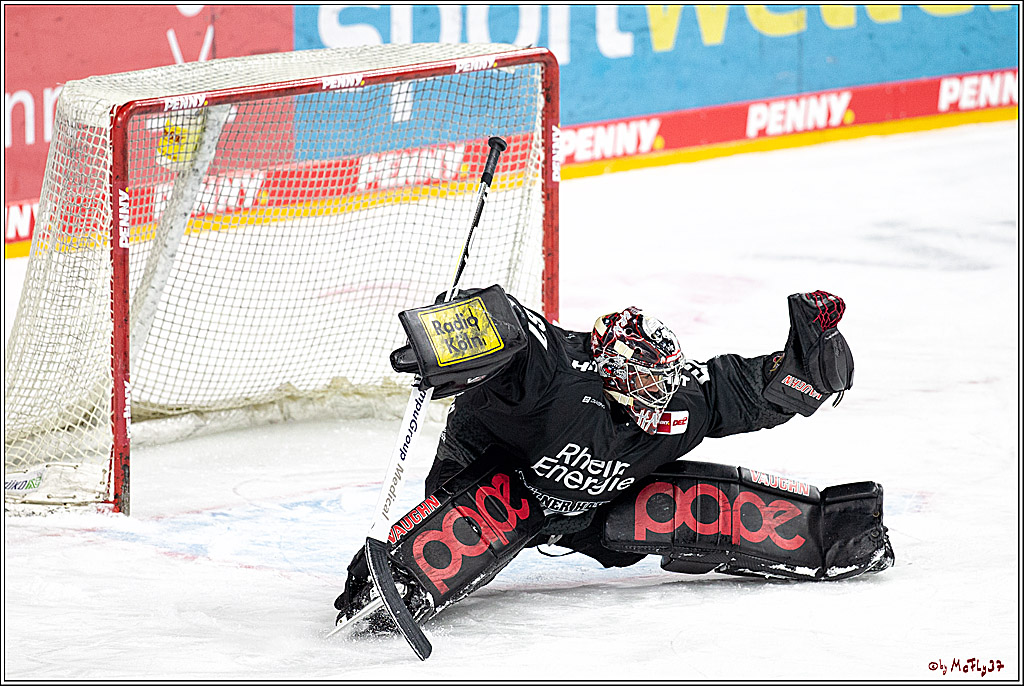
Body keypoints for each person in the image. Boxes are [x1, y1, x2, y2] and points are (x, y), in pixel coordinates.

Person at [335, 286, 894, 632]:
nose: (659, 392)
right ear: (609, 369)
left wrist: (808, 369)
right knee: (492, 508)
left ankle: (832, 535)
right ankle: (398, 581)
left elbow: (748, 390)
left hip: (593, 508)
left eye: (664, 378)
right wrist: (446, 342)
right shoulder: (556, 373)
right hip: (498, 473)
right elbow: (510, 324)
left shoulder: (682, 403)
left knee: (690, 504)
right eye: (643, 378)